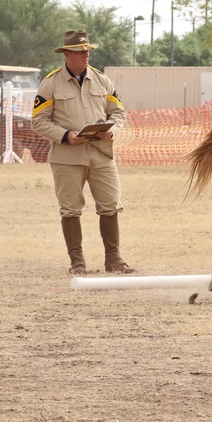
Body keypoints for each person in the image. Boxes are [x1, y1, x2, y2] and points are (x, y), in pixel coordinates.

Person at [31, 30, 136, 274]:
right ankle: (77, 262)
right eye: (80, 51)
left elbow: (118, 112)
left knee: (110, 205)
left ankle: (114, 260)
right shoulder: (50, 83)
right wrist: (66, 136)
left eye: (88, 50)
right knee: (70, 208)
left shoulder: (102, 80)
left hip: (101, 154)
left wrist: (111, 130)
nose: (86, 55)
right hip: (67, 158)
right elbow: (38, 121)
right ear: (67, 54)